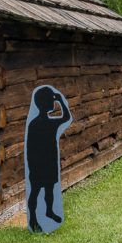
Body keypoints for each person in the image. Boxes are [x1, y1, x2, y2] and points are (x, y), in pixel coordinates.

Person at [25, 85, 73, 233]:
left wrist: (59, 100)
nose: (53, 101)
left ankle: (49, 211)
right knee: (35, 191)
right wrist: (60, 101)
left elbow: (67, 118)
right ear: (45, 102)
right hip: (38, 164)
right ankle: (33, 218)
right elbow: (30, 148)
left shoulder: (48, 122)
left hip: (49, 162)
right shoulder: (36, 124)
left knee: (49, 189)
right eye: (51, 99)